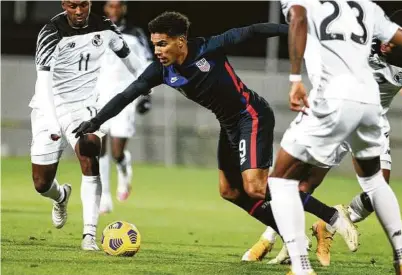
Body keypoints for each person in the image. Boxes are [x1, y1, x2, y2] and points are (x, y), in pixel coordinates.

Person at [73, 11, 357, 248]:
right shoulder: (160, 70)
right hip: (229, 124)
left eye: (162, 44)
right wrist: (96, 122)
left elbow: (254, 30)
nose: (157, 51)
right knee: (230, 192)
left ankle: (331, 216)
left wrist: (296, 30)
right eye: (155, 44)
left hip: (251, 115)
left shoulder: (209, 47)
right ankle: (290, 237)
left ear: (181, 41)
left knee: (256, 188)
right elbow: (127, 94)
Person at [268, 0, 402, 274]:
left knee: (284, 180)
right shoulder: (370, 28)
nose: (387, 44)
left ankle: (324, 230)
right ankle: (271, 237)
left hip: (358, 111)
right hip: (356, 109)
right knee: (307, 184)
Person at [30, 0, 144, 250]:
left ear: (90, 4)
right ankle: (60, 196)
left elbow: (132, 60)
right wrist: (50, 123)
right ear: (64, 5)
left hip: (83, 106)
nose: (79, 11)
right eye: (72, 6)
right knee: (41, 184)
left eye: (83, 5)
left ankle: (89, 236)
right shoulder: (51, 33)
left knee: (91, 148)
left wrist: (152, 81)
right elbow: (43, 83)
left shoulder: (105, 27)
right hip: (49, 104)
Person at [97, 0, 153, 214]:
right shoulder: (96, 33)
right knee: (99, 149)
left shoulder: (134, 34)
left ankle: (123, 167)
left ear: (123, 9)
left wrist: (147, 96)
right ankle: (104, 196)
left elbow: (147, 64)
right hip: (99, 99)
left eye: (117, 6)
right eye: (110, 6)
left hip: (125, 99)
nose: (114, 10)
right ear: (105, 9)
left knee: (116, 151)